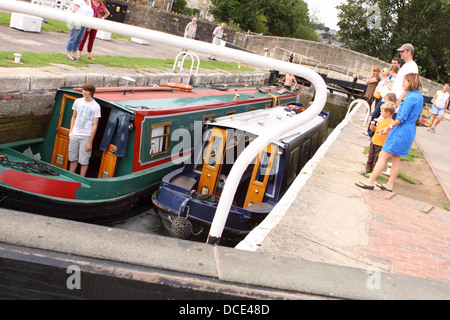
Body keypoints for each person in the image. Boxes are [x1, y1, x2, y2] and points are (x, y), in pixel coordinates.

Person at [355, 73, 423, 192]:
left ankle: (370, 181)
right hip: (409, 131)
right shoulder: (419, 97)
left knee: (383, 155)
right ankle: (389, 184)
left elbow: (402, 117)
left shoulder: (411, 97)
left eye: (405, 81)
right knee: (396, 158)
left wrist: (389, 127)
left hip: (401, 131)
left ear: (411, 82)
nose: (403, 83)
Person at [69, 82, 101, 177]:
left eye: (86, 90)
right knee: (72, 159)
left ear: (91, 93)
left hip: (86, 136)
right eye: (83, 90)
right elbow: (73, 117)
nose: (84, 92)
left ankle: (81, 179)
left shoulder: (96, 106)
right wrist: (71, 131)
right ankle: (70, 177)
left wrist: (90, 142)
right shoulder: (77, 101)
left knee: (84, 161)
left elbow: (95, 125)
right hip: (74, 134)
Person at [360, 101, 396, 177]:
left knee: (376, 159)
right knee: (371, 157)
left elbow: (390, 134)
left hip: (381, 144)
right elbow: (377, 129)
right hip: (374, 141)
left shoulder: (392, 123)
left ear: (388, 113)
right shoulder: (381, 120)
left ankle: (373, 173)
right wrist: (373, 128)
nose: (380, 113)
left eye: (382, 111)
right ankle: (367, 170)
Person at [391, 43, 418, 110]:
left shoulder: (412, 66)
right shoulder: (406, 65)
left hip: (399, 98)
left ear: (409, 52)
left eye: (402, 51)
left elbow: (410, 84)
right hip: (395, 96)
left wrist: (400, 99)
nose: (400, 53)